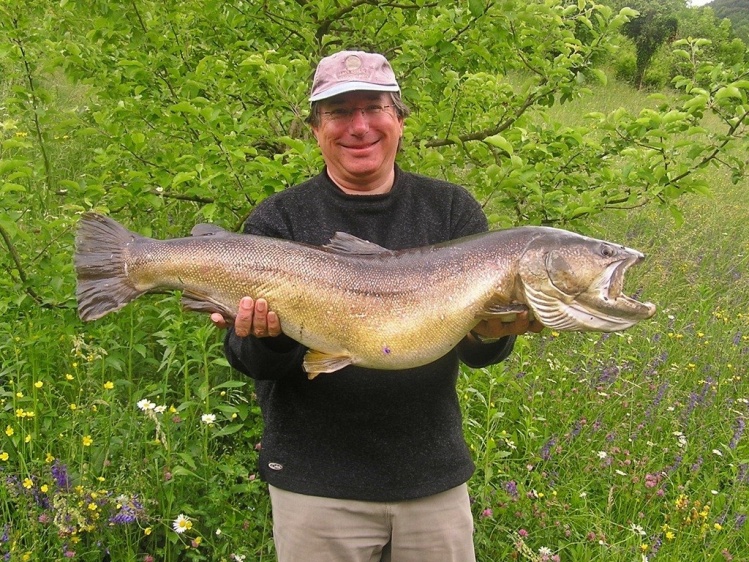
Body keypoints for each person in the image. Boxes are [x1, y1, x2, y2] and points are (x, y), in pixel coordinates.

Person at [211, 50, 543, 562]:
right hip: (315, 488)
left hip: (432, 482)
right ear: (315, 129)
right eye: (340, 112)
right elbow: (249, 361)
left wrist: (497, 328)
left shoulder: (452, 209)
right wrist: (269, 333)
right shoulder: (280, 218)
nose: (359, 126)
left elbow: (480, 355)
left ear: (400, 120)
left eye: (374, 108)